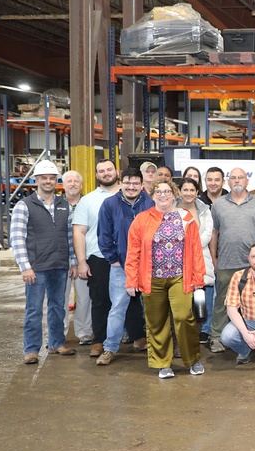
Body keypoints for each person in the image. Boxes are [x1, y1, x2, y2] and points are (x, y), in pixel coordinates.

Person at [124, 177, 206, 379]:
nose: (163, 195)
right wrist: (132, 280)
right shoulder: (142, 219)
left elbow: (196, 250)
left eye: (167, 192)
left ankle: (192, 359)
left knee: (183, 318)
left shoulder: (186, 218)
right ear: (152, 195)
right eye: (158, 192)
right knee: (156, 322)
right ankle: (162, 363)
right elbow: (133, 251)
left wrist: (198, 278)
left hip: (181, 277)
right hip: (152, 279)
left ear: (174, 194)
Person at [10, 159, 77, 363]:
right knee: (34, 309)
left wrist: (73, 261)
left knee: (58, 307)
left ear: (56, 181)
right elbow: (17, 238)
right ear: (36, 180)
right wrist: (25, 267)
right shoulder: (25, 206)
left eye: (51, 178)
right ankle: (31, 349)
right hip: (36, 268)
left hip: (60, 266)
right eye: (43, 178)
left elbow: (70, 236)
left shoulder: (64, 205)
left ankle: (57, 343)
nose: (48, 181)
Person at [208, 167, 255, 353]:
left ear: (247, 181)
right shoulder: (219, 204)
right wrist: (214, 259)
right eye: (233, 177)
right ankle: (216, 337)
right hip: (226, 263)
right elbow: (214, 233)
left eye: (241, 177)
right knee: (222, 301)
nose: (237, 180)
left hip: (253, 265)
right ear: (228, 182)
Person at [95, 167, 153, 365]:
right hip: (121, 267)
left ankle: (157, 348)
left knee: (154, 308)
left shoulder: (150, 203)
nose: (131, 187)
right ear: (121, 183)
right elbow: (103, 235)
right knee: (118, 307)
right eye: (127, 182)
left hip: (148, 267)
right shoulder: (109, 204)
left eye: (136, 183)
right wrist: (113, 259)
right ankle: (110, 348)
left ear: (142, 185)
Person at [72, 158, 119, 357]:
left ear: (117, 171)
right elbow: (79, 232)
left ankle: (136, 336)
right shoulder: (88, 200)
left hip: (128, 258)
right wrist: (81, 261)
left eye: (109, 169)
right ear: (97, 175)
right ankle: (99, 340)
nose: (106, 173)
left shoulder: (131, 194)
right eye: (102, 171)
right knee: (100, 301)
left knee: (132, 299)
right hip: (99, 258)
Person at [178, 177, 215, 344]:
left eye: (192, 190)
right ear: (179, 192)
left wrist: (193, 246)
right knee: (184, 295)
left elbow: (208, 231)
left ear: (197, 192)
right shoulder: (172, 209)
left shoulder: (204, 209)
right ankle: (187, 330)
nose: (188, 193)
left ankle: (205, 329)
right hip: (178, 258)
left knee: (204, 294)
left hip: (202, 255)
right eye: (185, 190)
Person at [60, 170, 91, 345]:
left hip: (83, 259)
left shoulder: (87, 203)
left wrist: (80, 261)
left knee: (85, 297)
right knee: (60, 298)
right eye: (69, 181)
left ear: (81, 185)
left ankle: (84, 332)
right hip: (60, 259)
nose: (72, 184)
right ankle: (60, 332)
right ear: (63, 186)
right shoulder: (56, 204)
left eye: (76, 181)